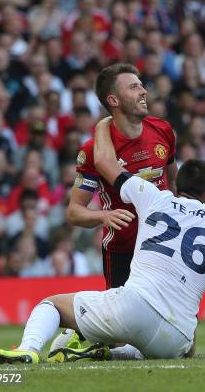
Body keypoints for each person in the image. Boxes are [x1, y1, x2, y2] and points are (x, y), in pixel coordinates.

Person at [0, 124, 205, 364]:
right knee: (175, 349)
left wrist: (103, 125)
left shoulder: (155, 198)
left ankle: (28, 349)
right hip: (178, 337)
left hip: (134, 305)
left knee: (51, 305)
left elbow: (106, 162)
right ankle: (104, 354)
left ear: (178, 187)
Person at [51, 63, 177, 353]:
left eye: (141, 84)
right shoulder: (93, 150)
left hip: (162, 249)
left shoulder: (164, 131)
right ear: (113, 100)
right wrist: (103, 215)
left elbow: (174, 182)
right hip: (123, 248)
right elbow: (74, 211)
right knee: (122, 338)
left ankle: (88, 337)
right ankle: (82, 335)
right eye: (133, 86)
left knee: (174, 337)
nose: (143, 90)